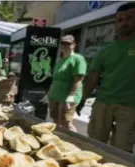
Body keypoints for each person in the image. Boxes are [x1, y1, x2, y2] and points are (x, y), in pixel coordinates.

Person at [77, 2, 135, 153]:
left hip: (130, 107)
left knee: (121, 151)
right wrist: (82, 100)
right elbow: (92, 78)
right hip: (103, 103)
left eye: (129, 18)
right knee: (94, 145)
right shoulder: (105, 51)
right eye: (120, 20)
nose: (124, 23)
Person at [47, 35, 87, 132]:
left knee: (66, 124)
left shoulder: (78, 59)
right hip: (55, 96)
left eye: (67, 43)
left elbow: (78, 80)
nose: (64, 45)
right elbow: (55, 79)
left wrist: (70, 97)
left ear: (73, 45)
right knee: (55, 121)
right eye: (62, 43)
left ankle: (73, 142)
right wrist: (48, 94)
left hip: (67, 97)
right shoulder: (60, 60)